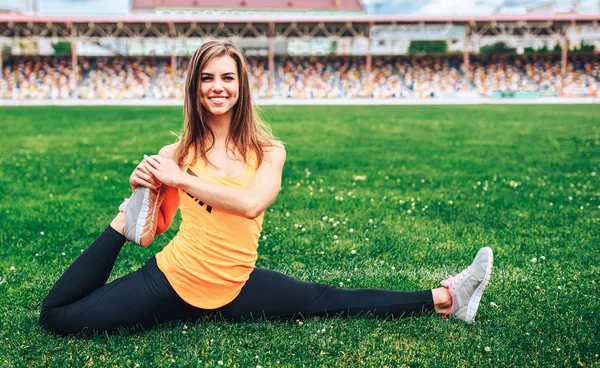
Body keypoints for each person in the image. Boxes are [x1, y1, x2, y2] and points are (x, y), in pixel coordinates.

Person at [39, 39, 494, 336]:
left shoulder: (269, 151)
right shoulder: (176, 151)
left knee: (329, 300)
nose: (218, 87)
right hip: (174, 280)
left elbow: (253, 203)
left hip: (236, 282)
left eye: (227, 78)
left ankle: (449, 297)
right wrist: (141, 195)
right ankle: (117, 220)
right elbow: (147, 233)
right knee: (56, 316)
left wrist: (178, 178)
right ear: (195, 87)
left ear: (241, 86)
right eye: (207, 78)